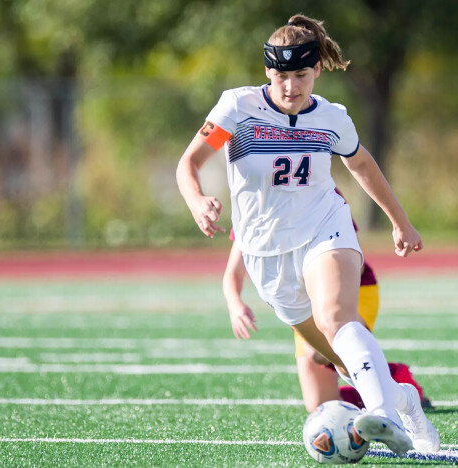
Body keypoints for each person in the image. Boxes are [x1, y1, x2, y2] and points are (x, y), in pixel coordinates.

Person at [177, 14, 440, 455]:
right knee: (343, 362)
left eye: (300, 75)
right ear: (267, 72)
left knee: (338, 318)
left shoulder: (333, 117)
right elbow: (189, 164)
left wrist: (401, 221)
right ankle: (406, 401)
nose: (290, 87)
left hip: (325, 227)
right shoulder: (236, 108)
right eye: (281, 76)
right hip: (265, 255)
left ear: (317, 69)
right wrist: (197, 201)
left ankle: (384, 417)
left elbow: (361, 165)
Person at [223, 189, 432, 413]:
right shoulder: (253, 206)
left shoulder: (317, 189)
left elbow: (353, 261)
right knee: (321, 406)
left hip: (356, 287)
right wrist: (235, 303)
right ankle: (392, 385)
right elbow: (233, 273)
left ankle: (398, 385)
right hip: (303, 301)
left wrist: (322, 284)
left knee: (321, 350)